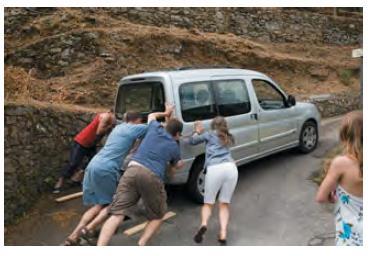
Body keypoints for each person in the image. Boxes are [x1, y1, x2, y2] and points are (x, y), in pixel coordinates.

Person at [62, 110, 168, 246]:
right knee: (114, 204)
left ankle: (73, 236)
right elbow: (157, 128)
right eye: (140, 122)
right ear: (137, 120)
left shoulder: (119, 127)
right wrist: (167, 114)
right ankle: (89, 228)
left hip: (94, 164)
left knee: (99, 205)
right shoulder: (135, 128)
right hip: (107, 168)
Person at [97, 106, 184, 246]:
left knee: (117, 213)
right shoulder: (174, 146)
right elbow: (175, 167)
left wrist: (166, 113)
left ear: (166, 126)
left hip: (132, 169)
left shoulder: (155, 128)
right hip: (151, 175)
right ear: (178, 134)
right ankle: (141, 244)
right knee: (158, 215)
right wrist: (178, 164)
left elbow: (152, 115)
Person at [186, 116, 238, 246]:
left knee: (208, 203)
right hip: (231, 169)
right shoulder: (229, 136)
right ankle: (223, 233)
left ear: (213, 125)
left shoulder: (209, 135)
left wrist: (197, 130)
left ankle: (203, 225)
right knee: (224, 204)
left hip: (215, 169)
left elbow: (191, 141)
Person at [316, 111, 363, 246]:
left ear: (345, 136)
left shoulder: (341, 163)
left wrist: (332, 197)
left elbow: (320, 197)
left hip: (349, 238)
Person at [53, 110, 116, 193]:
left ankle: (77, 178)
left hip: (91, 144)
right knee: (73, 163)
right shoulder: (105, 117)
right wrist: (110, 126)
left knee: (92, 162)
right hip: (81, 141)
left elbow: (107, 134)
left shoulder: (109, 119)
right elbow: (99, 132)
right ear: (110, 113)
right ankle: (60, 181)